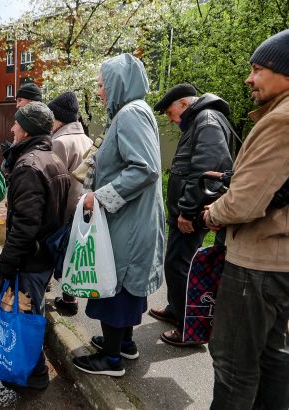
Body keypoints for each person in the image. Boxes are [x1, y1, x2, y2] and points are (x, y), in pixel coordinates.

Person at [203, 29, 289, 410]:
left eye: (258, 69)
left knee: (233, 363)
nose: (249, 78)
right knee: (274, 357)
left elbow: (245, 203)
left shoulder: (280, 121)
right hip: (278, 263)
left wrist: (212, 214)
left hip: (257, 264)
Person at [72, 54, 165, 377]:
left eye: (102, 84)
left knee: (114, 283)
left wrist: (99, 197)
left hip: (127, 221)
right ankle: (123, 343)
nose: (99, 92)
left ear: (118, 84)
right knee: (125, 283)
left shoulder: (130, 114)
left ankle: (111, 360)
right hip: (132, 217)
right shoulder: (134, 112)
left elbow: (145, 169)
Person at [0, 101, 70, 390]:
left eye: (17, 124)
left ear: (27, 131)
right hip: (45, 254)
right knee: (34, 311)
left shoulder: (28, 165)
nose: (12, 128)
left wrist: (5, 268)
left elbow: (24, 226)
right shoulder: (51, 158)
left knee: (26, 315)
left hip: (32, 257)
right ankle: (32, 370)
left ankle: (35, 374)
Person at [149, 83, 234, 347]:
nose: (172, 120)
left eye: (172, 113)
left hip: (191, 214)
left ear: (184, 105)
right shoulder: (202, 120)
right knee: (177, 264)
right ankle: (177, 309)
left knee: (180, 266)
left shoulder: (206, 121)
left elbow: (206, 169)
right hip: (188, 211)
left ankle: (191, 328)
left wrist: (188, 211)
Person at [47, 91, 93, 316]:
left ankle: (67, 299)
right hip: (84, 207)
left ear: (58, 118)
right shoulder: (88, 139)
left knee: (59, 252)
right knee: (73, 254)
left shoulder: (59, 142)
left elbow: (55, 182)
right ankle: (70, 297)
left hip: (65, 209)